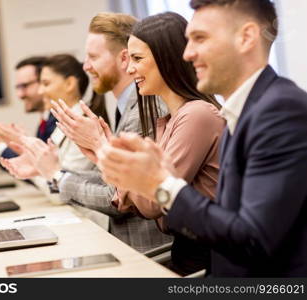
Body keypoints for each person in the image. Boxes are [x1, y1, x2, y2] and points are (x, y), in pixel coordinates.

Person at [98, 0, 307, 277]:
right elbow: (227, 226)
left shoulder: (279, 111)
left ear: (246, 37)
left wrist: (163, 186)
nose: (187, 54)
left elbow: (253, 239)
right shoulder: (244, 111)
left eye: (200, 39)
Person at [107, 12, 224, 276]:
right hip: (188, 254)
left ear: (167, 58)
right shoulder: (171, 120)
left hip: (205, 261)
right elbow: (136, 197)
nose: (129, 69)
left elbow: (150, 204)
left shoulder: (197, 115)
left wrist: (131, 180)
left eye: (137, 58)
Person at [48, 13, 172, 253]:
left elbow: (117, 198)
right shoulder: (127, 107)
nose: (85, 66)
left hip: (148, 256)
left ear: (124, 58)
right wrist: (55, 173)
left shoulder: (144, 109)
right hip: (127, 247)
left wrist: (60, 178)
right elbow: (110, 181)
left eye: (93, 57)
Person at [0, 54, 109, 211]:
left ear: (70, 83)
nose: (41, 90)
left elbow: (61, 194)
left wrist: (39, 167)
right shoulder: (64, 125)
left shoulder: (82, 127)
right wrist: (38, 167)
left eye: (45, 83)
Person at [0, 56, 57, 161]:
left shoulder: (58, 121)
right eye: (18, 87)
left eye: (25, 86)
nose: (20, 95)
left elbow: (46, 169)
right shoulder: (46, 120)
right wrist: (8, 140)